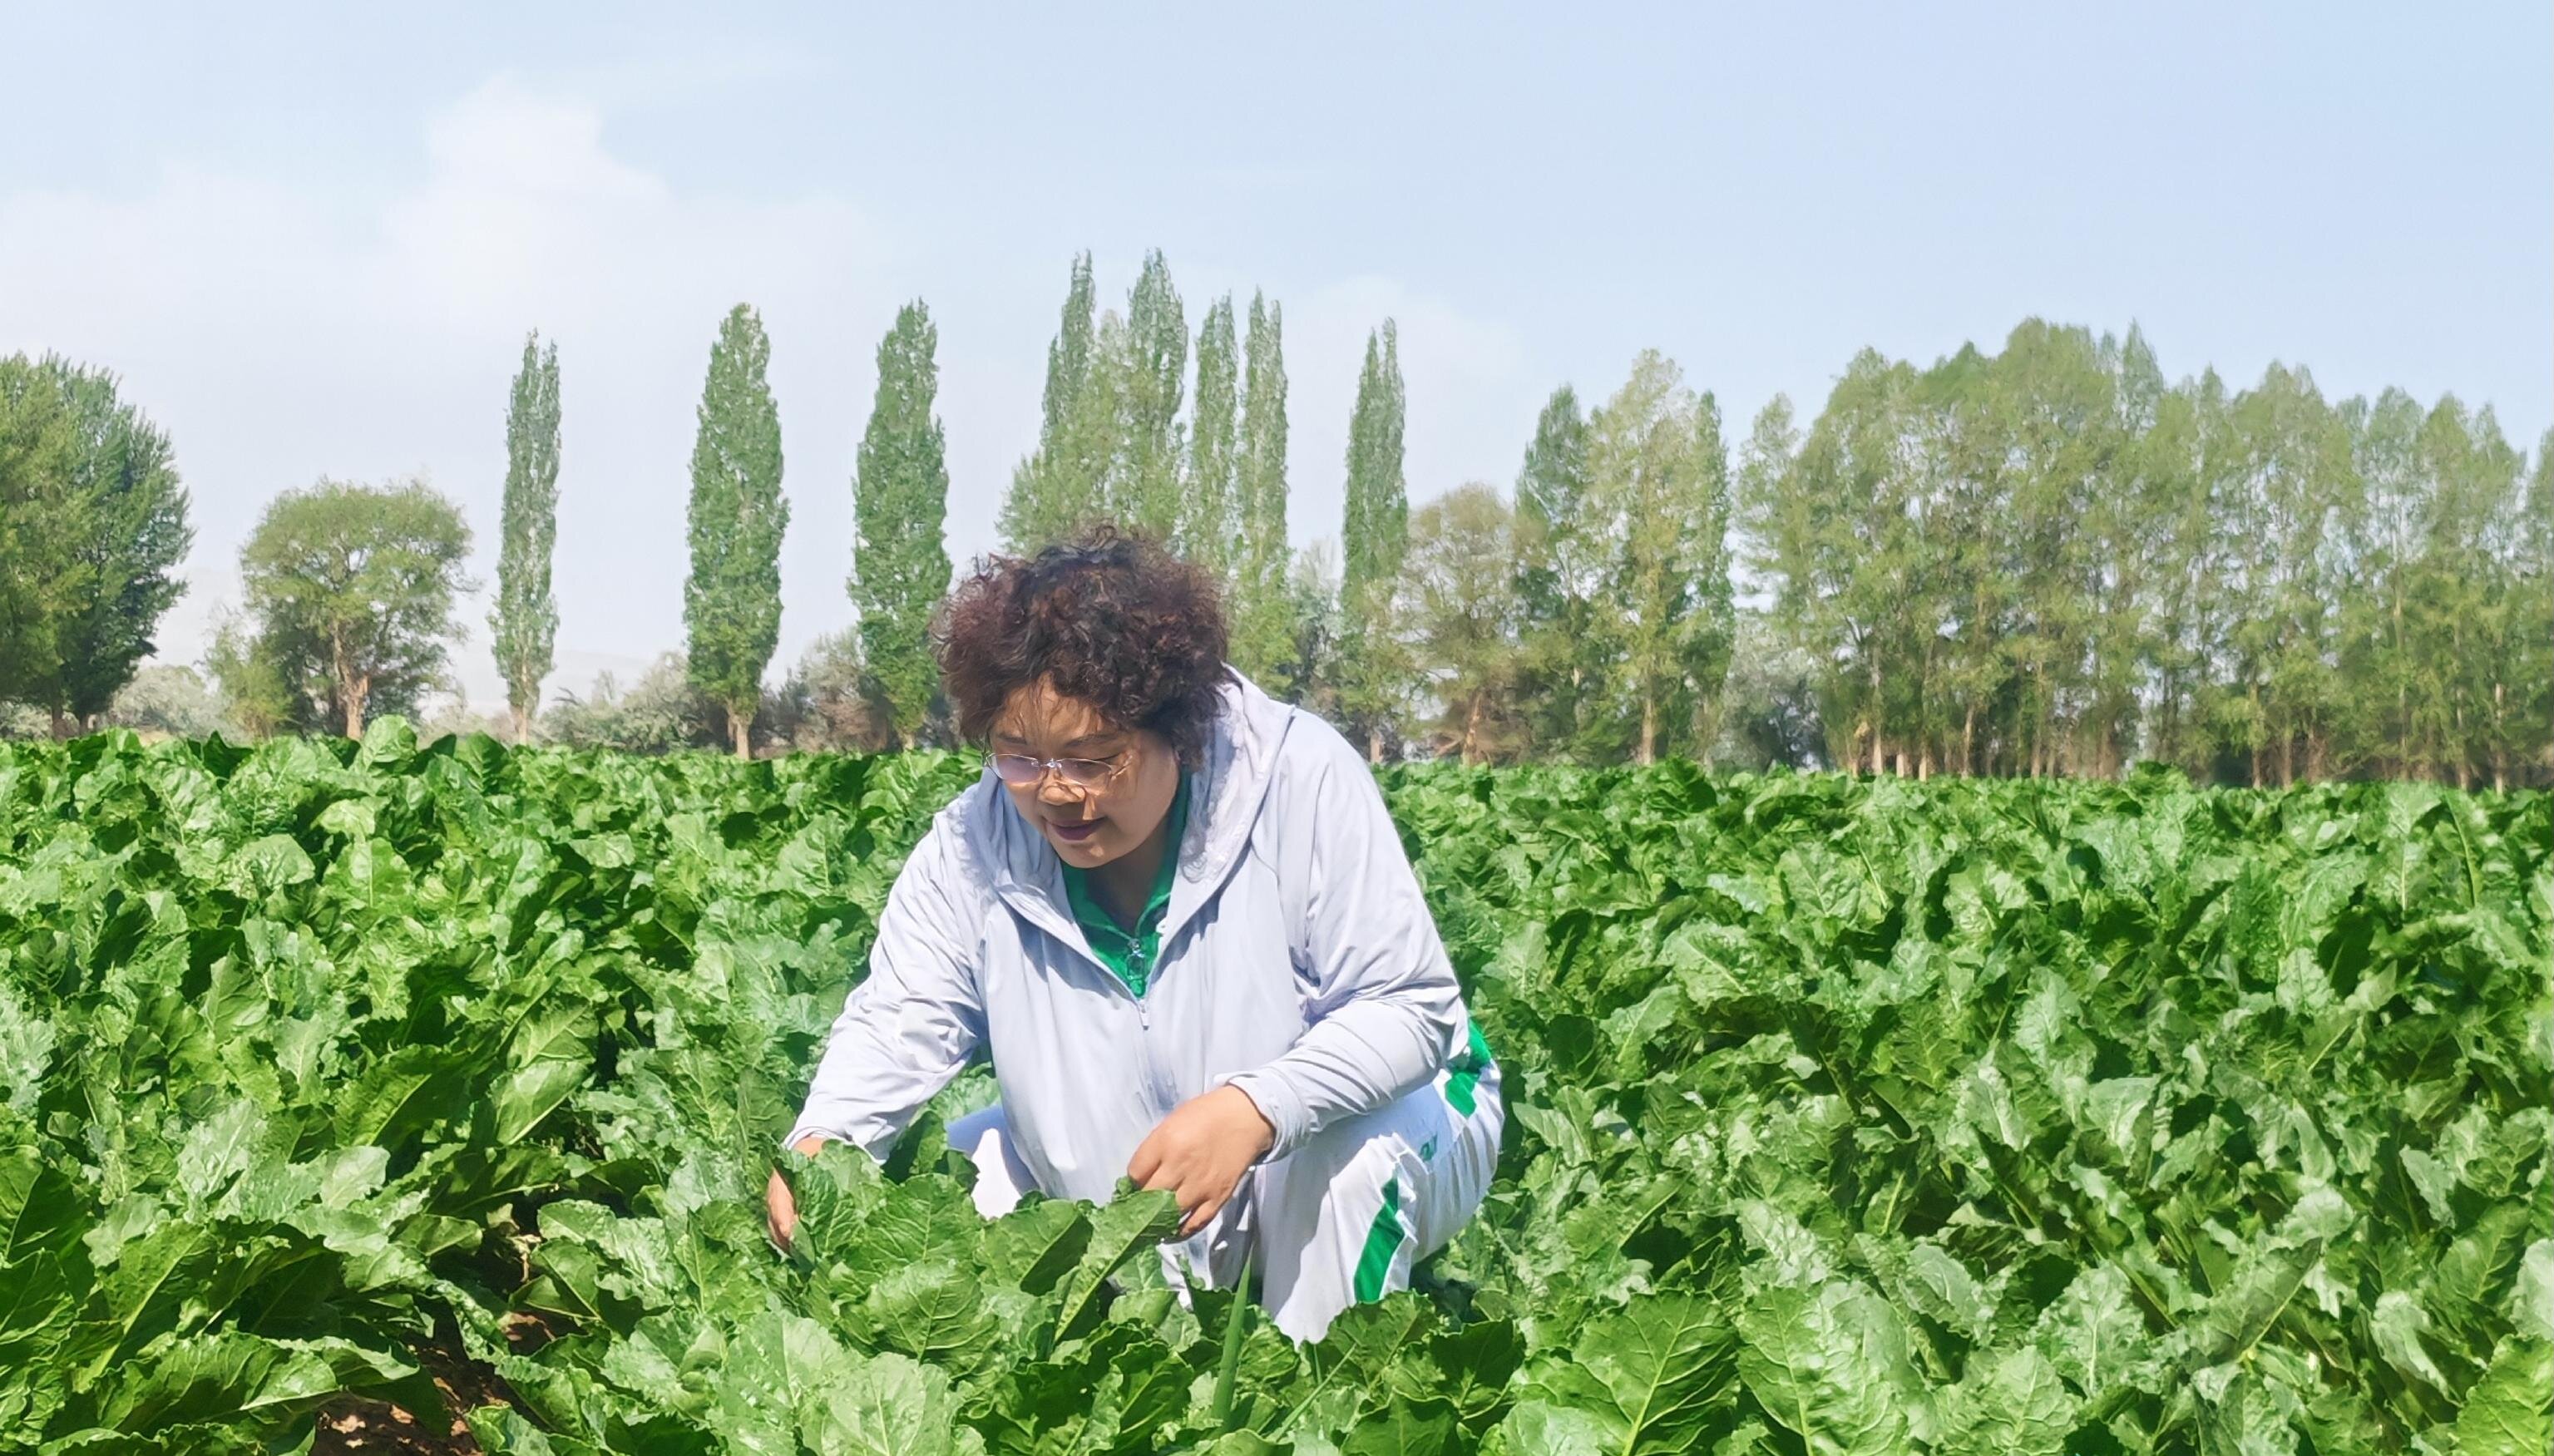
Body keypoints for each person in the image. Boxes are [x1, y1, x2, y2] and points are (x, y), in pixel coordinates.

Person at [764, 529, 1501, 1343]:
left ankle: (1314, 1385)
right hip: (1133, 1150)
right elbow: (897, 1021)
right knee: (948, 1191)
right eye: (1017, 755)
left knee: (1344, 1162)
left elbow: (1409, 1009)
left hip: (1392, 1114)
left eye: (1093, 758)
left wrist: (1256, 1106)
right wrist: (826, 1138)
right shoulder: (971, 845)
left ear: (1176, 733)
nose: (1054, 794)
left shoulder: (1298, 778)